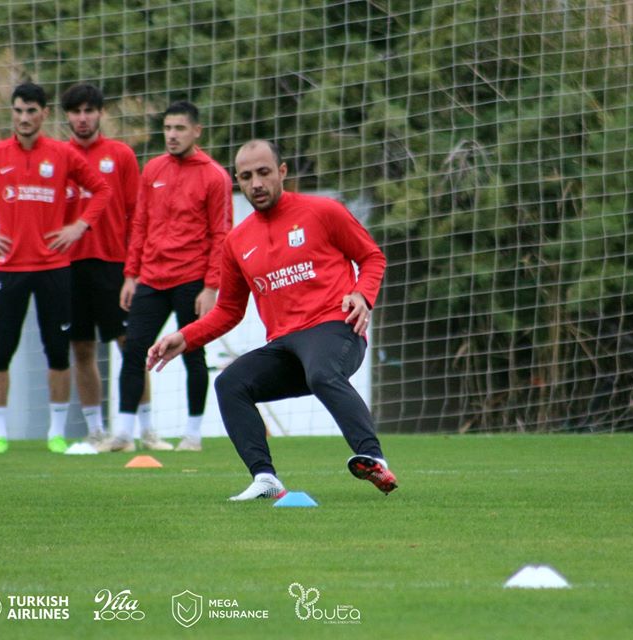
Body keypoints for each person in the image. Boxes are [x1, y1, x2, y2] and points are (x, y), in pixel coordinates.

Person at [147, 139, 398, 500]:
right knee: (231, 383)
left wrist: (363, 294)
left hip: (336, 329)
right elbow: (229, 311)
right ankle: (265, 479)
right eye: (247, 177)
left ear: (282, 172)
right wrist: (184, 337)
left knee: (322, 372)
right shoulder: (236, 242)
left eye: (264, 173)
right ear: (238, 180)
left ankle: (373, 458)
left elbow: (372, 257)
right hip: (285, 346)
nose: (257, 184)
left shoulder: (323, 211)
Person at [0, 82, 111, 454]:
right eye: (18, 111)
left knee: (57, 350)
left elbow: (100, 190)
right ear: (13, 113)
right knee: (0, 351)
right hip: (8, 268)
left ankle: (55, 432)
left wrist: (79, 226)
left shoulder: (61, 155)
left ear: (44, 114)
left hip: (54, 267)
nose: (24, 118)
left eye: (31, 111)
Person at [115, 100, 232, 452]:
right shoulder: (152, 170)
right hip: (150, 276)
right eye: (167, 128)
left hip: (191, 280)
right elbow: (141, 224)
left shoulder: (214, 176)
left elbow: (221, 234)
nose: (172, 135)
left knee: (193, 355)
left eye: (179, 128)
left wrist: (211, 286)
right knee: (134, 350)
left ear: (196, 131)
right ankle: (124, 434)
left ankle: (192, 435)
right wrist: (131, 274)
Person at [59, 83, 169, 451]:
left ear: (101, 114)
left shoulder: (120, 155)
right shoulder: (57, 157)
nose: (83, 118)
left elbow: (137, 215)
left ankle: (147, 429)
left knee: (132, 346)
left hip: (114, 266)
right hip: (69, 266)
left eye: (89, 110)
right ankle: (95, 430)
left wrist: (133, 269)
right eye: (76, 112)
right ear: (67, 117)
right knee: (82, 349)